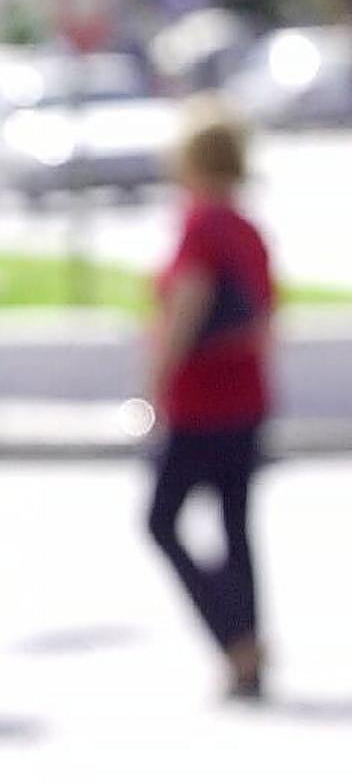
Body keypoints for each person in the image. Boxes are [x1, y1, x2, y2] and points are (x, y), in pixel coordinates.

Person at [146, 101, 274, 700]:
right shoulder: (248, 230)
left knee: (161, 520)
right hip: (246, 396)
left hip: (200, 400)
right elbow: (266, 321)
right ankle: (249, 646)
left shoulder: (200, 227)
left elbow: (184, 313)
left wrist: (155, 386)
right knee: (235, 526)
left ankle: (234, 638)